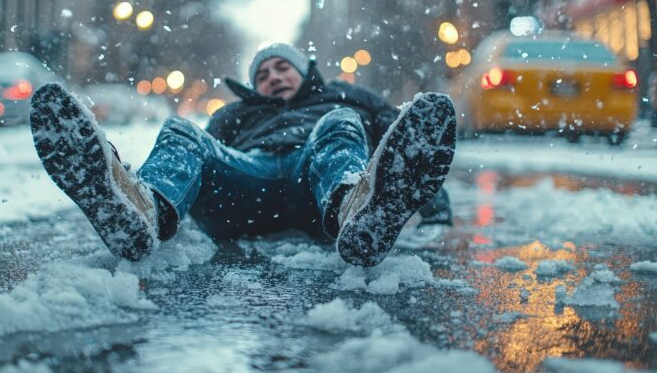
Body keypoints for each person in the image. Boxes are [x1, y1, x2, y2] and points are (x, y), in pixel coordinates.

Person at [30, 43, 456, 267]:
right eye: (263, 74)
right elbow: (200, 161)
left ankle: (358, 212)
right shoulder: (236, 112)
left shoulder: (344, 95)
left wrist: (434, 207)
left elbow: (407, 143)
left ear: (303, 70)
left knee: (340, 122)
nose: (273, 77)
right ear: (256, 86)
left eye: (281, 68)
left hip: (319, 181)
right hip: (248, 186)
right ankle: (140, 211)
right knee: (181, 129)